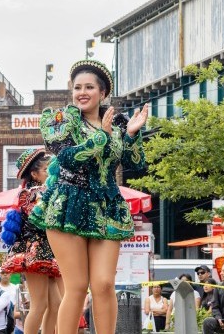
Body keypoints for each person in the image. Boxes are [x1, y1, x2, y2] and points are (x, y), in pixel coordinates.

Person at [28, 59, 148, 334]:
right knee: (78, 286)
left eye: (89, 87)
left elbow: (136, 163)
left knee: (104, 283)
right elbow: (67, 157)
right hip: (69, 203)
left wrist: (130, 134)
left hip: (106, 207)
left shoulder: (116, 124)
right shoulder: (61, 120)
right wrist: (100, 138)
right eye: (77, 87)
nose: (82, 92)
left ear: (102, 93)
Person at [0, 147, 62, 334]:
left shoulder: (47, 191)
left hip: (49, 251)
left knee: (57, 304)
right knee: (39, 305)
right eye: (47, 170)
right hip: (35, 251)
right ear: (34, 174)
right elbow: (44, 219)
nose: (53, 173)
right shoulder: (34, 193)